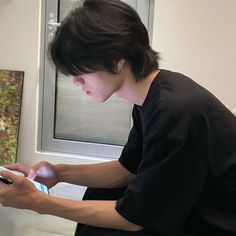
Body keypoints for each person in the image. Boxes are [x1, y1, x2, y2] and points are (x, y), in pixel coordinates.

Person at [1, 0, 236, 235]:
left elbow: (134, 218)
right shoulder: (153, 96)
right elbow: (128, 169)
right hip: (191, 202)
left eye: (81, 71)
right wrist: (59, 172)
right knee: (100, 193)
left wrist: (39, 202)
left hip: (216, 220)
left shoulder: (176, 112)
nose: (76, 82)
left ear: (117, 59)